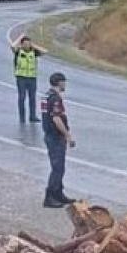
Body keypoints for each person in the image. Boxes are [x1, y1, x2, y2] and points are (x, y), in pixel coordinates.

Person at [41, 72, 76, 208]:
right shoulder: (55, 98)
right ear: (59, 82)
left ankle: (58, 193)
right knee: (57, 168)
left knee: (59, 167)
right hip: (55, 136)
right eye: (64, 82)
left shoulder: (47, 95)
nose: (65, 84)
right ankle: (50, 196)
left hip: (50, 135)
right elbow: (56, 118)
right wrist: (68, 135)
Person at [11, 35, 48, 123]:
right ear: (22, 44)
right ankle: (22, 117)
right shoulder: (18, 52)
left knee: (32, 98)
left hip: (32, 78)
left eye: (28, 44)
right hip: (21, 78)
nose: (27, 46)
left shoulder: (34, 52)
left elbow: (45, 51)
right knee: (22, 97)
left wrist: (33, 45)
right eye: (25, 44)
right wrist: (20, 37)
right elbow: (12, 46)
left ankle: (32, 116)